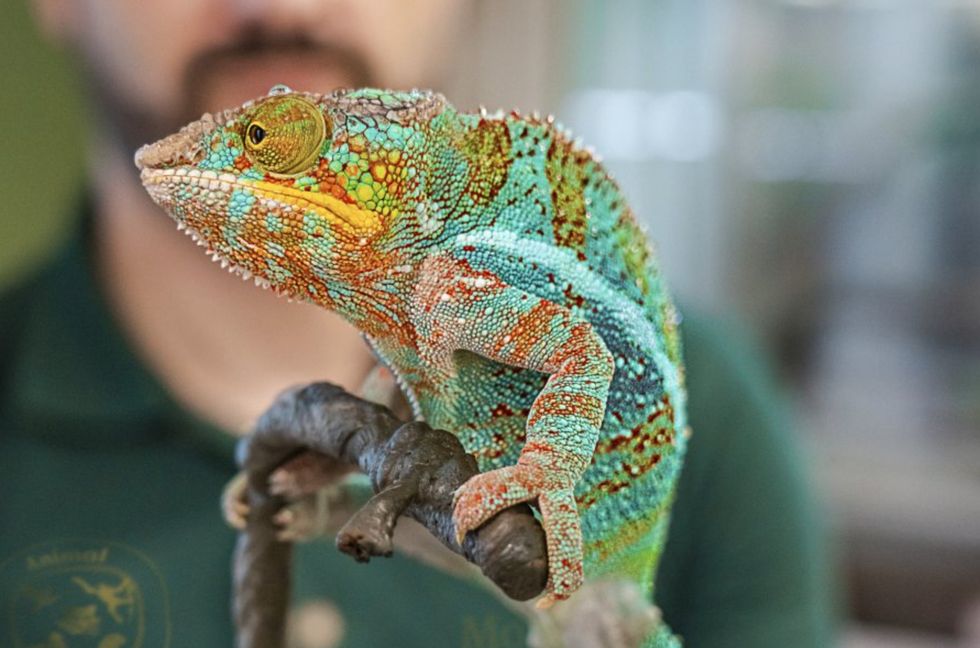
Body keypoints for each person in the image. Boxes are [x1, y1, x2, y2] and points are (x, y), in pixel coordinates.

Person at [0, 1, 836, 646]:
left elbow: (582, 351)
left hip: (600, 568)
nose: (283, 3)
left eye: (273, 142)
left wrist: (543, 470)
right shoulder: (400, 312)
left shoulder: (449, 293)